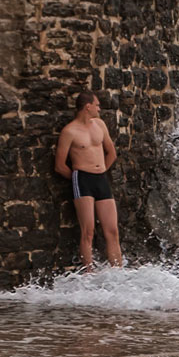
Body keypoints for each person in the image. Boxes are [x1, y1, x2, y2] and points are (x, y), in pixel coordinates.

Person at [54, 91, 124, 271]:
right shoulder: (69, 131)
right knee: (88, 231)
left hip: (101, 178)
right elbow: (60, 165)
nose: (99, 108)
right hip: (82, 180)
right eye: (97, 104)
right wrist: (79, 178)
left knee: (112, 230)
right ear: (88, 107)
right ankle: (89, 273)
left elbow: (111, 153)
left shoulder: (99, 124)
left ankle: (118, 272)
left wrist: (100, 171)